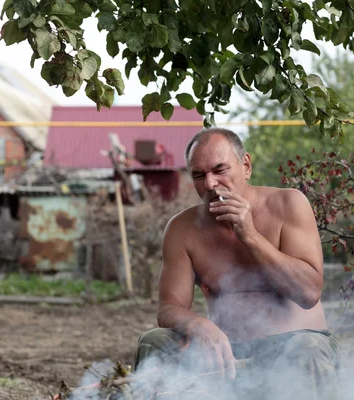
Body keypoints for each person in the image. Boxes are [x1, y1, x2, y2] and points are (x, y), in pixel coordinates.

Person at [133, 127, 340, 399]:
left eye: (220, 170)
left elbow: (309, 293)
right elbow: (169, 308)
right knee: (155, 342)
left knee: (307, 348)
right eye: (199, 175)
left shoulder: (288, 203)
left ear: (246, 166)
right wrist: (197, 325)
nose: (210, 184)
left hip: (295, 346)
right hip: (224, 356)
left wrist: (250, 235)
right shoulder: (182, 229)